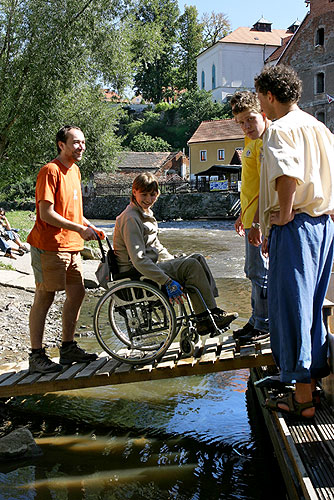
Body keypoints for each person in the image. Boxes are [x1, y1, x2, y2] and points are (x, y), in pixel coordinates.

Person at [254, 64, 334, 419]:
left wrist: (283, 217)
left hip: (298, 225)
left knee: (291, 311)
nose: (260, 108)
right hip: (324, 226)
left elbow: (288, 176)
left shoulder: (279, 129)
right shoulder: (320, 129)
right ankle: (310, 388)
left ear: (271, 96)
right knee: (314, 308)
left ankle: (302, 399)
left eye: (260, 100)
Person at [113, 172, 238, 334]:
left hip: (149, 265)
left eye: (153, 195)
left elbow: (156, 246)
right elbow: (139, 260)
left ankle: (210, 310)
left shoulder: (144, 213)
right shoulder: (131, 218)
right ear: (134, 191)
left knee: (197, 258)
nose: (149, 199)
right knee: (191, 266)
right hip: (135, 273)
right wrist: (167, 281)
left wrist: (174, 261)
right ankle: (206, 317)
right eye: (144, 194)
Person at [27, 125, 101, 374]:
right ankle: (36, 356)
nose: (81, 147)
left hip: (72, 247)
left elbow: (75, 212)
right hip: (49, 246)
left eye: (83, 142)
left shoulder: (76, 171)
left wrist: (90, 226)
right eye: (76, 142)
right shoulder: (50, 171)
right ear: (62, 145)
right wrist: (79, 229)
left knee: (77, 293)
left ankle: (67, 348)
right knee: (45, 297)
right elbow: (46, 213)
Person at [230, 91, 270, 345]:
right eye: (241, 122)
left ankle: (263, 324)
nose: (246, 126)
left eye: (250, 119)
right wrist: (241, 216)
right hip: (250, 217)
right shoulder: (249, 140)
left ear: (263, 114)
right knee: (252, 271)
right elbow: (250, 185)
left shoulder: (266, 142)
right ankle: (256, 320)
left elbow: (266, 187)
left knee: (260, 271)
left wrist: (255, 223)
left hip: (261, 220)